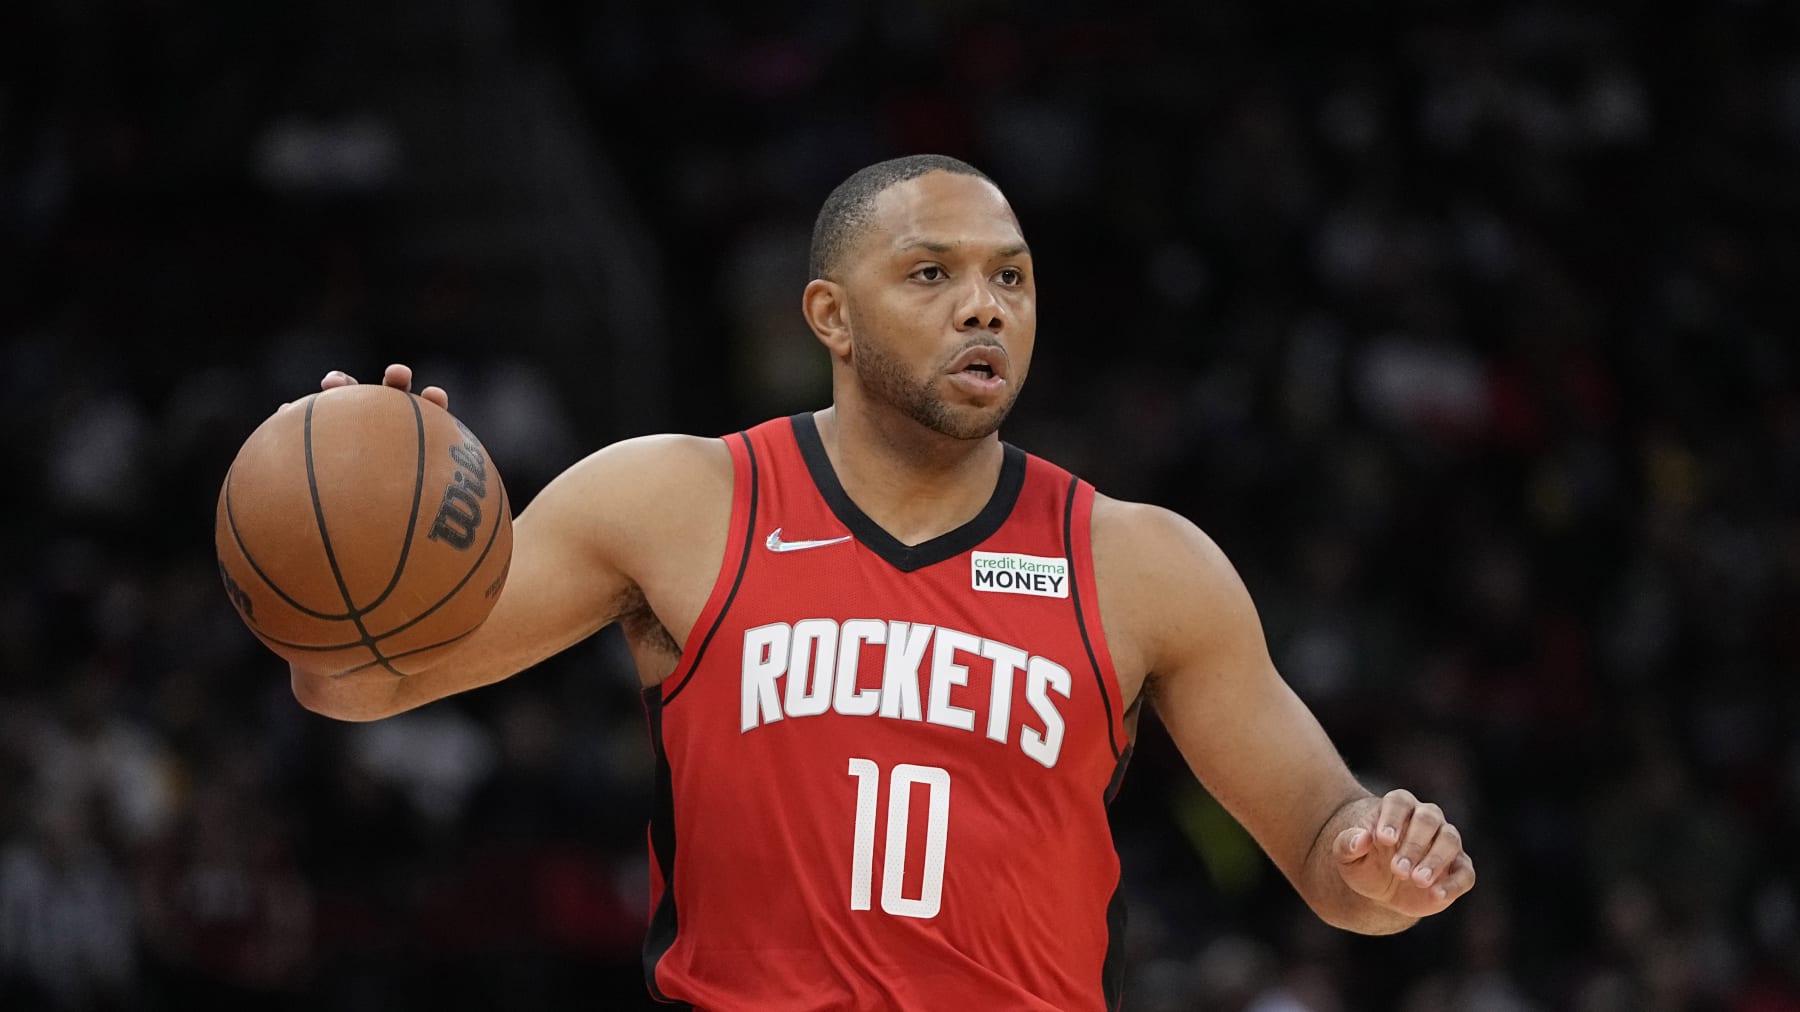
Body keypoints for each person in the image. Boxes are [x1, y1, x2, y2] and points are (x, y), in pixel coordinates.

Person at [287, 154, 1475, 1010]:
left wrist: (1384, 865)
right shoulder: (676, 503)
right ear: (830, 317)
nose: (982, 305)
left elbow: (1333, 861)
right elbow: (353, 683)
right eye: (931, 273)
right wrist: (352, 541)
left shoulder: (1140, 561)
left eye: (1010, 279)